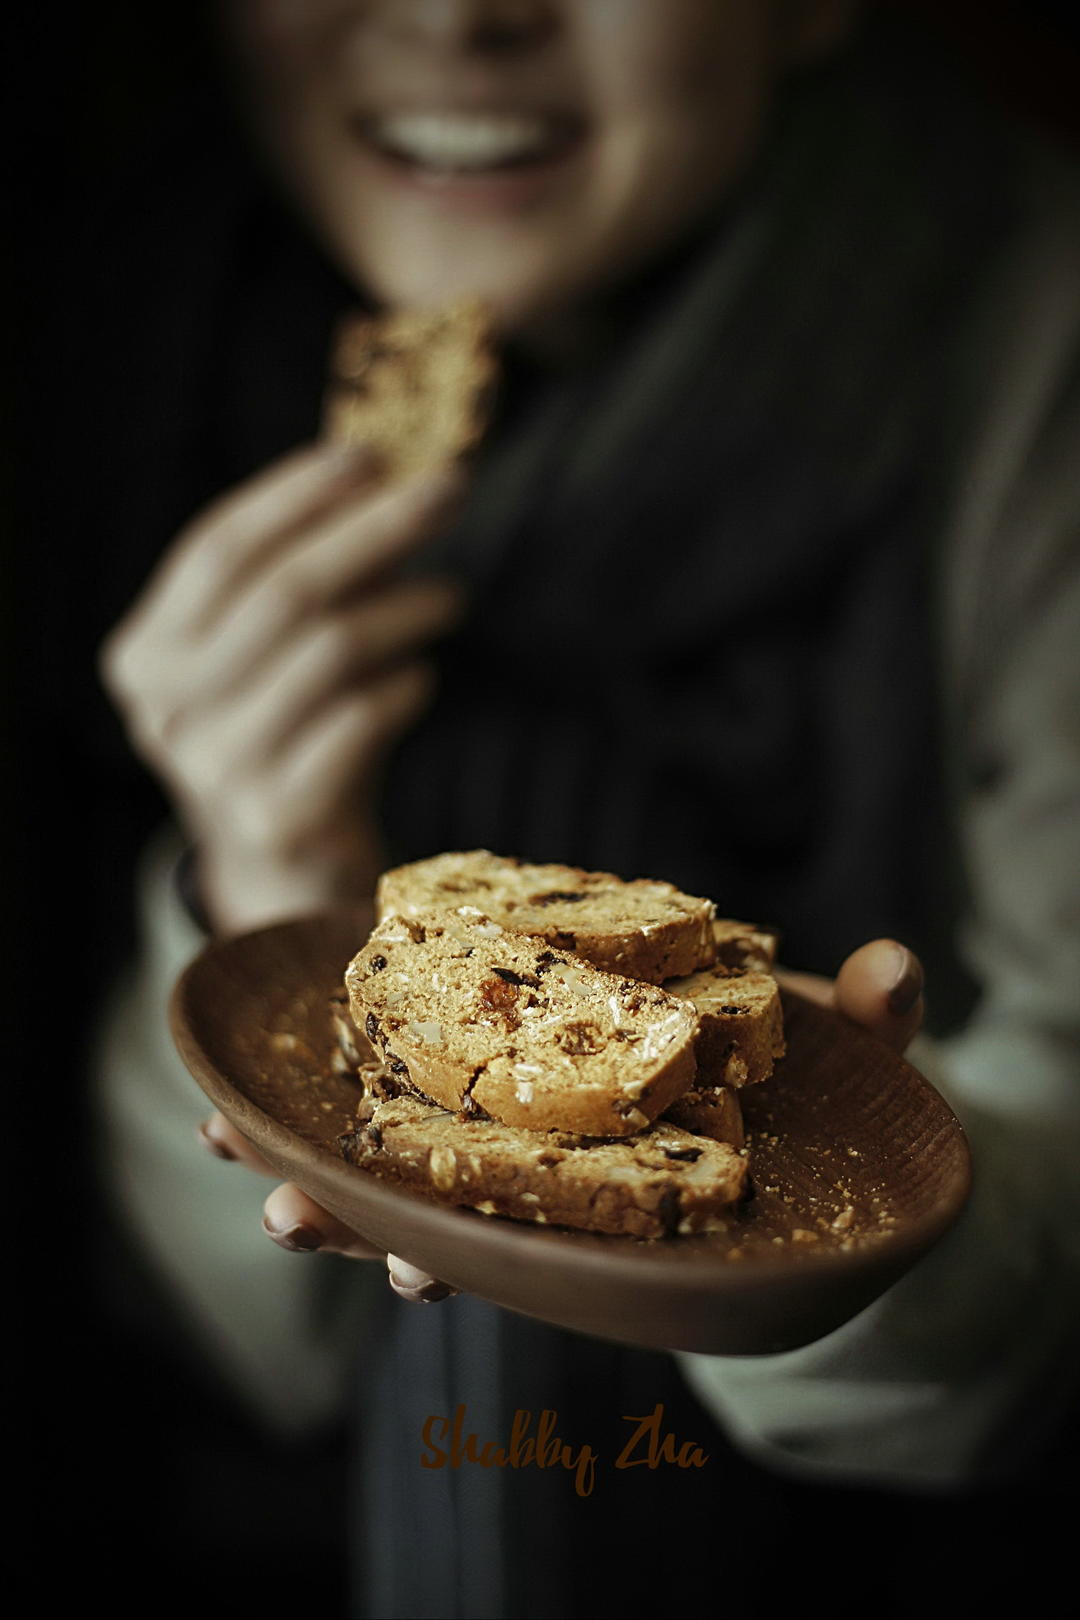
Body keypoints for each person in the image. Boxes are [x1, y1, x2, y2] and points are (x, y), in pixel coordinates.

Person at [22, 2, 1079, 1615]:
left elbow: (1045, 1331)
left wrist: (825, 1196)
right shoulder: (110, 319)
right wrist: (272, 905)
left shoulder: (1033, 351)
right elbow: (200, 1345)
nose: (457, 18)